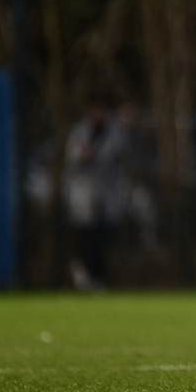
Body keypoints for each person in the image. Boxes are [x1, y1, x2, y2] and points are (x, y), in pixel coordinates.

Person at [63, 92, 131, 290]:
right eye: (95, 110)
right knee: (88, 238)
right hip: (85, 196)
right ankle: (93, 277)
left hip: (109, 196)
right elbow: (72, 158)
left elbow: (122, 152)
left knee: (106, 236)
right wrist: (81, 155)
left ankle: (94, 274)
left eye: (102, 110)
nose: (98, 114)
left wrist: (126, 128)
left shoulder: (115, 131)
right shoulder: (80, 131)